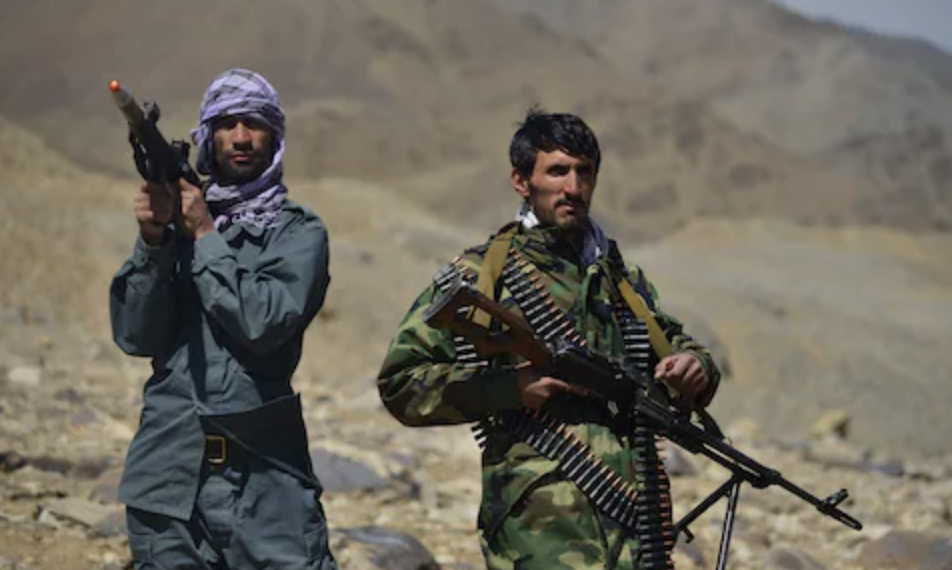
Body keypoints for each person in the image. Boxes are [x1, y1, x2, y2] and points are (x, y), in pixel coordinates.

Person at [377, 108, 722, 570]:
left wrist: (695, 366)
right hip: (538, 529)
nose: (573, 188)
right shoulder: (484, 275)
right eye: (557, 171)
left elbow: (672, 342)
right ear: (522, 182)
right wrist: (511, 390)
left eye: (584, 172)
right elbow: (401, 383)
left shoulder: (619, 278)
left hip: (636, 523)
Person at [110, 68, 338, 570]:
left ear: (274, 136)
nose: (240, 137)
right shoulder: (179, 227)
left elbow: (262, 324)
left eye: (254, 124)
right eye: (226, 123)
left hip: (262, 477)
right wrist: (153, 241)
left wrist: (206, 235)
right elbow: (135, 335)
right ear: (207, 136)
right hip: (168, 472)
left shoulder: (297, 233)